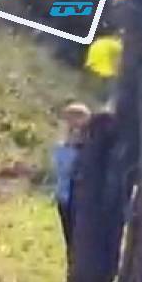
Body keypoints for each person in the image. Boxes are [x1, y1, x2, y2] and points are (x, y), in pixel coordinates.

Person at [51, 102, 93, 248]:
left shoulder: (92, 149)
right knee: (70, 240)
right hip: (65, 198)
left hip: (84, 200)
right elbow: (64, 169)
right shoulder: (62, 149)